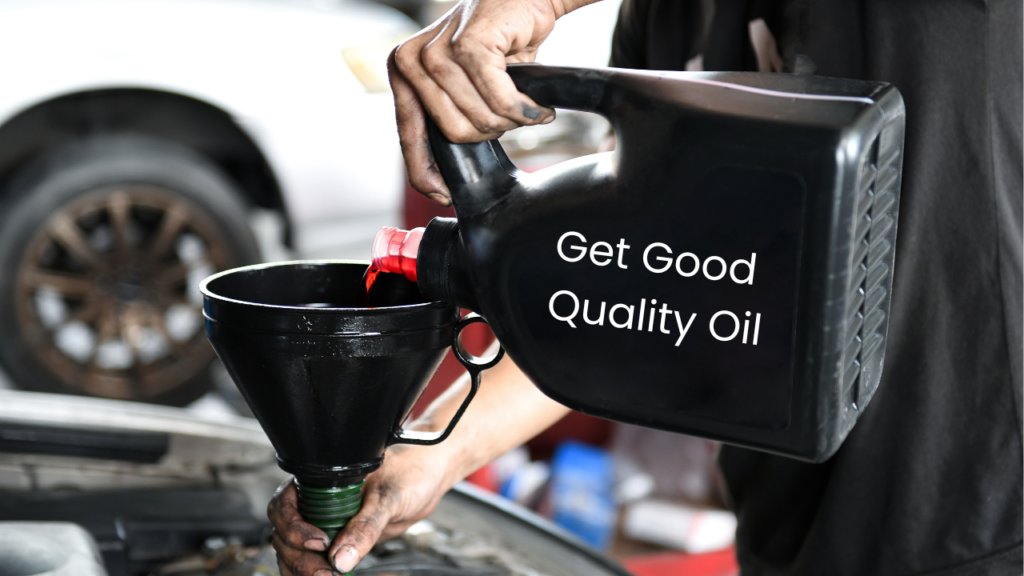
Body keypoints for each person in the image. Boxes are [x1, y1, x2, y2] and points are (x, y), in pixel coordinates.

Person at [269, 1, 1023, 575]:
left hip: (984, 521)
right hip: (790, 529)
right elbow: (626, 295)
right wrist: (433, 450)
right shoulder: (667, 20)